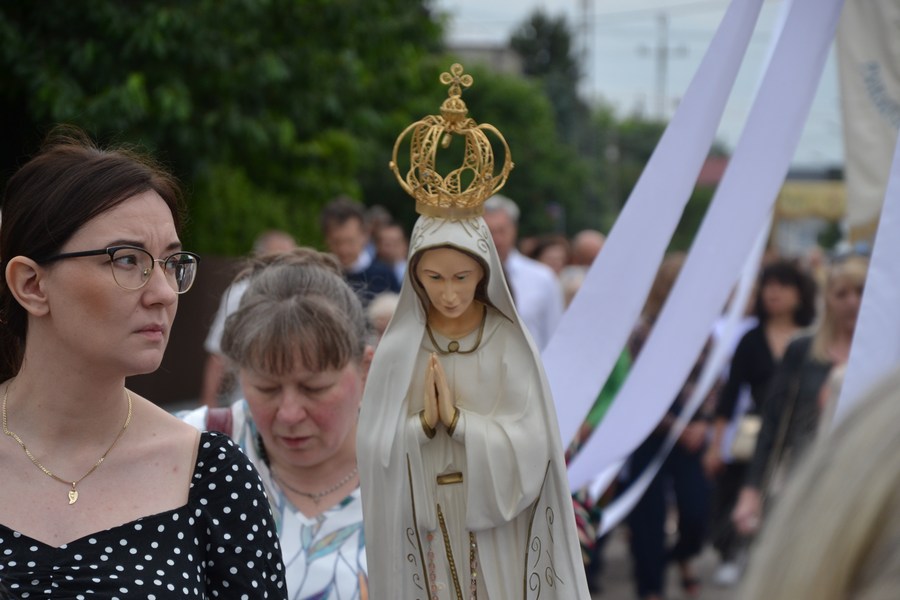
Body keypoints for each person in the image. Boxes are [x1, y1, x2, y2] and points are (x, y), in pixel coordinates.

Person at [0, 128, 286, 597]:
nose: (164, 293)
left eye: (172, 263)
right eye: (128, 260)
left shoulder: (211, 476)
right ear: (31, 284)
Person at [358, 213, 589, 599]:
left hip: (498, 530)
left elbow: (535, 444)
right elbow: (372, 448)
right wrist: (424, 425)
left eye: (461, 277)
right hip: (426, 524)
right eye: (434, 277)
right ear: (415, 276)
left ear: (483, 273)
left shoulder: (507, 343)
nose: (448, 293)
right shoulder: (399, 349)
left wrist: (459, 424)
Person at [181, 248, 371, 599]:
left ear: (366, 368)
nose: (289, 414)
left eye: (314, 388)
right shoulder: (188, 451)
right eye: (267, 388)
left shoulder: (414, 469)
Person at [732, 254, 868, 537]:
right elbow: (772, 421)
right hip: (804, 478)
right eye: (842, 293)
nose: (852, 302)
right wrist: (751, 490)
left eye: (861, 291)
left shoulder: (885, 355)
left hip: (864, 481)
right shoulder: (802, 350)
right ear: (827, 299)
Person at [737, 364, 900, 600]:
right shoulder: (808, 355)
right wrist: (751, 489)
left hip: (852, 491)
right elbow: (773, 421)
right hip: (810, 484)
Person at [703, 259, 817, 585]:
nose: (773, 293)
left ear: (799, 293)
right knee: (743, 488)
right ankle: (734, 551)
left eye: (783, 286)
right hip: (756, 429)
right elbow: (730, 395)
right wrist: (716, 445)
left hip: (802, 431)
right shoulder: (751, 339)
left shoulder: (812, 338)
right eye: (768, 286)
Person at [624, 252, 713, 600]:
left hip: (692, 429)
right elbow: (636, 389)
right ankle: (651, 587)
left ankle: (679, 557)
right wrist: (675, 425)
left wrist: (704, 423)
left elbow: (713, 382)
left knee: (696, 510)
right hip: (650, 429)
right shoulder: (642, 332)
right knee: (648, 514)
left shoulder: (704, 331)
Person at [200, 229, 297, 407]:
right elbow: (218, 353)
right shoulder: (240, 294)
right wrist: (208, 404)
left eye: (290, 259)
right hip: (248, 402)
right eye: (277, 258)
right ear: (259, 258)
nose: (284, 265)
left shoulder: (301, 293)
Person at [483, 195, 564, 349]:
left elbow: (554, 335)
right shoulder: (465, 278)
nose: (496, 239)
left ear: (514, 229)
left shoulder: (543, 278)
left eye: (502, 230)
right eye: (489, 231)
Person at [320, 196, 400, 306]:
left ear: (365, 235)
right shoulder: (321, 277)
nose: (343, 249)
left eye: (350, 241)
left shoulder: (384, 277)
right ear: (326, 239)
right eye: (336, 242)